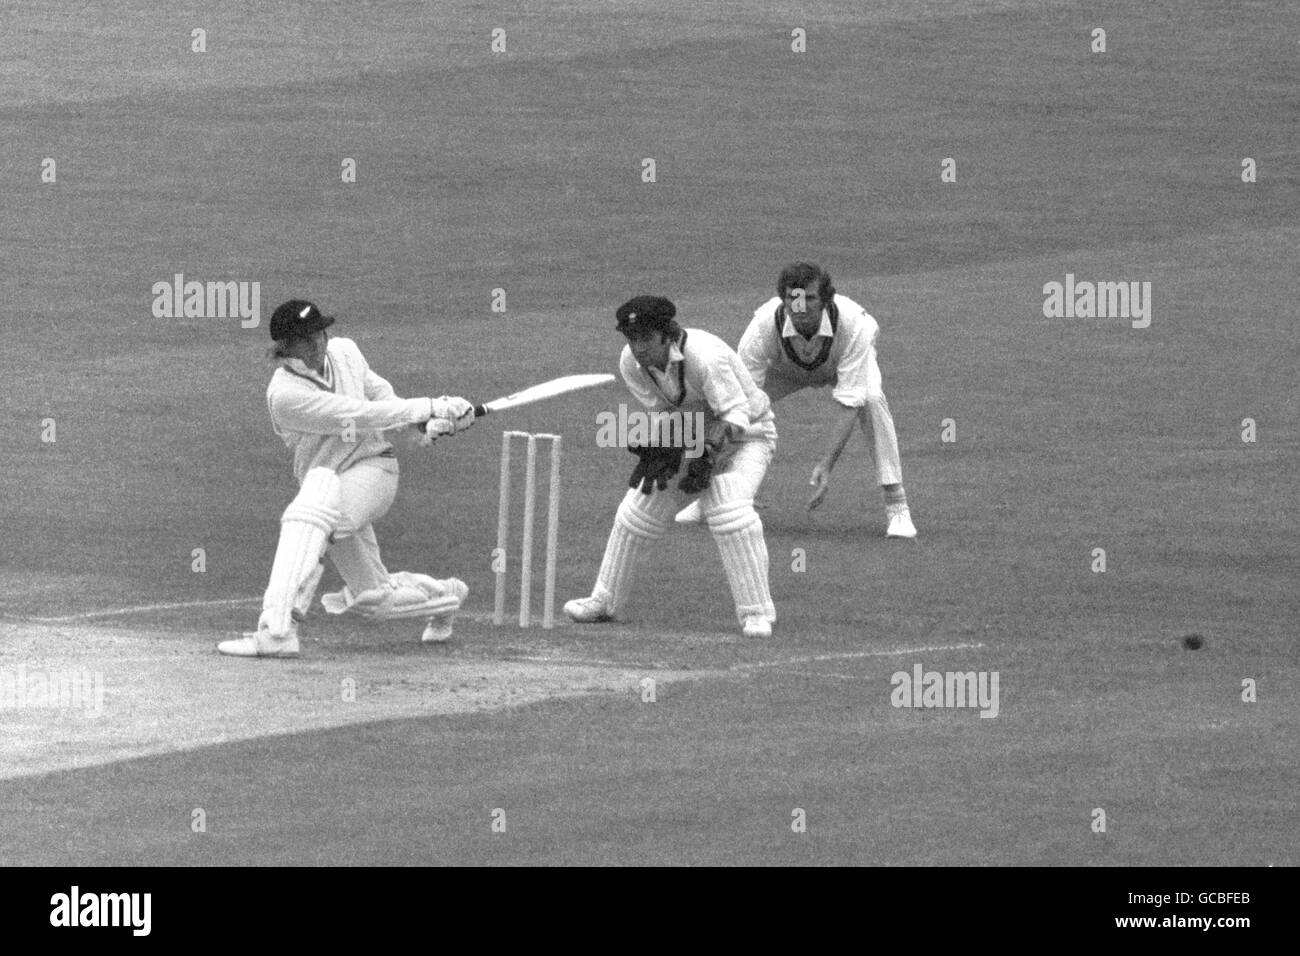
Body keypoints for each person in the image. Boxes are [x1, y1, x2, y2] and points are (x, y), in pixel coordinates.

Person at [217, 299, 474, 659]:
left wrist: (424, 424)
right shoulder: (285, 396)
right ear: (285, 347)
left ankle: (277, 631)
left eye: (321, 333)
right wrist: (431, 406)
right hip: (326, 483)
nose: (319, 343)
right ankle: (444, 596)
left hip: (374, 470)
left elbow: (382, 397)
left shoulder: (346, 351)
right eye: (307, 339)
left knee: (312, 518)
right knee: (374, 599)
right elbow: (358, 414)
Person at [563, 295, 778, 638]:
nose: (638, 348)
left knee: (729, 508)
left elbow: (737, 415)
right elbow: (665, 415)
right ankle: (605, 600)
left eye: (646, 338)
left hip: (748, 436)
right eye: (631, 339)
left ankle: (756, 613)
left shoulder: (706, 357)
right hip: (693, 433)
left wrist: (707, 453)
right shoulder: (631, 364)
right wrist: (663, 447)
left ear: (668, 334)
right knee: (637, 509)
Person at [677, 262, 917, 537]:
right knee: (723, 405)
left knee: (872, 399)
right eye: (793, 299)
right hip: (784, 371)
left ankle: (897, 506)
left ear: (825, 300)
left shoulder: (855, 324)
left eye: (810, 299)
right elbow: (737, 405)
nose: (800, 308)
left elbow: (850, 402)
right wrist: (738, 474)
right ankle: (713, 495)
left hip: (839, 365)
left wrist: (826, 464)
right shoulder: (763, 326)